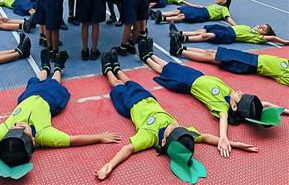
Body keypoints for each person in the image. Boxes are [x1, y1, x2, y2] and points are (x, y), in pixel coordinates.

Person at [0, 49, 121, 179]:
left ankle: (45, 65)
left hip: (28, 97)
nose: (18, 126)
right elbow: (73, 140)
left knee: (36, 80)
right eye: (23, 130)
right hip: (49, 100)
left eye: (15, 128)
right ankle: (57, 68)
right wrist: (100, 137)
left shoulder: (2, 132)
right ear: (34, 141)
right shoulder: (46, 135)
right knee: (55, 82)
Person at [95, 50, 259, 181]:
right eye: (179, 128)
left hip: (129, 105)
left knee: (117, 85)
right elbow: (206, 137)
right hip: (148, 98)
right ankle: (118, 68)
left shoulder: (149, 137)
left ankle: (108, 70)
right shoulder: (183, 135)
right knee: (130, 81)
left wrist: (110, 165)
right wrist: (232, 142)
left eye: (173, 129)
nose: (175, 126)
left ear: (164, 141)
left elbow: (128, 148)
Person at [137, 37, 288, 154]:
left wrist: (224, 138)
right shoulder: (231, 95)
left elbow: (223, 121)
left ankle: (147, 58)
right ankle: (151, 55)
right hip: (198, 76)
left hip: (187, 83)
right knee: (171, 66)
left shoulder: (222, 107)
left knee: (163, 70)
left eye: (241, 96)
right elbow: (264, 103)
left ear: (234, 107)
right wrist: (284, 110)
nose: (240, 92)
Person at [167, 35, 288, 86]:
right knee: (212, 52)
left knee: (211, 58)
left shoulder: (285, 76)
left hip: (249, 64)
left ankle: (179, 51)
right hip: (250, 57)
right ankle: (183, 47)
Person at [154, 0, 236, 26]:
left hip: (204, 14)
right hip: (202, 10)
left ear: (225, 1)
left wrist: (235, 26)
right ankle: (159, 14)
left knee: (183, 16)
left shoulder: (224, 9)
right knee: (179, 10)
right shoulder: (217, 5)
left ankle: (162, 19)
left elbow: (228, 18)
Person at [172, 22, 289, 45]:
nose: (260, 27)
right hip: (226, 29)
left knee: (207, 36)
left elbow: (272, 38)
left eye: (263, 29)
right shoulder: (247, 27)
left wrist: (284, 41)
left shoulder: (256, 37)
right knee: (203, 30)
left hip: (230, 36)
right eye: (261, 25)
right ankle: (179, 33)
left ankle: (184, 39)